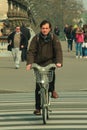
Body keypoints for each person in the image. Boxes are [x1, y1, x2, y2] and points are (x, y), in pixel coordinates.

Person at [26, 20, 63, 115]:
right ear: (40, 29)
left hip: (50, 61)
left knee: (51, 75)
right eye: (43, 28)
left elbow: (58, 50)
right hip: (38, 63)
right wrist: (29, 63)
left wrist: (58, 62)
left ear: (50, 29)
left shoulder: (53, 38)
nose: (45, 30)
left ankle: (52, 90)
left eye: (46, 28)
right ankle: (38, 108)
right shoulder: (36, 38)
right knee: (38, 86)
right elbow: (31, 51)